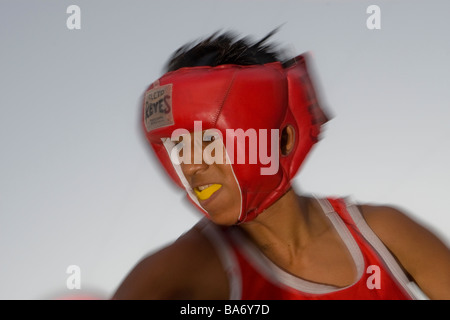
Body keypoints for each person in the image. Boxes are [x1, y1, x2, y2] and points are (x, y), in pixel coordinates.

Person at [112, 31, 450, 300]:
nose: (190, 165)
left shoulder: (382, 233)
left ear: (282, 139)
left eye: (207, 140)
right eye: (178, 146)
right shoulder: (186, 270)